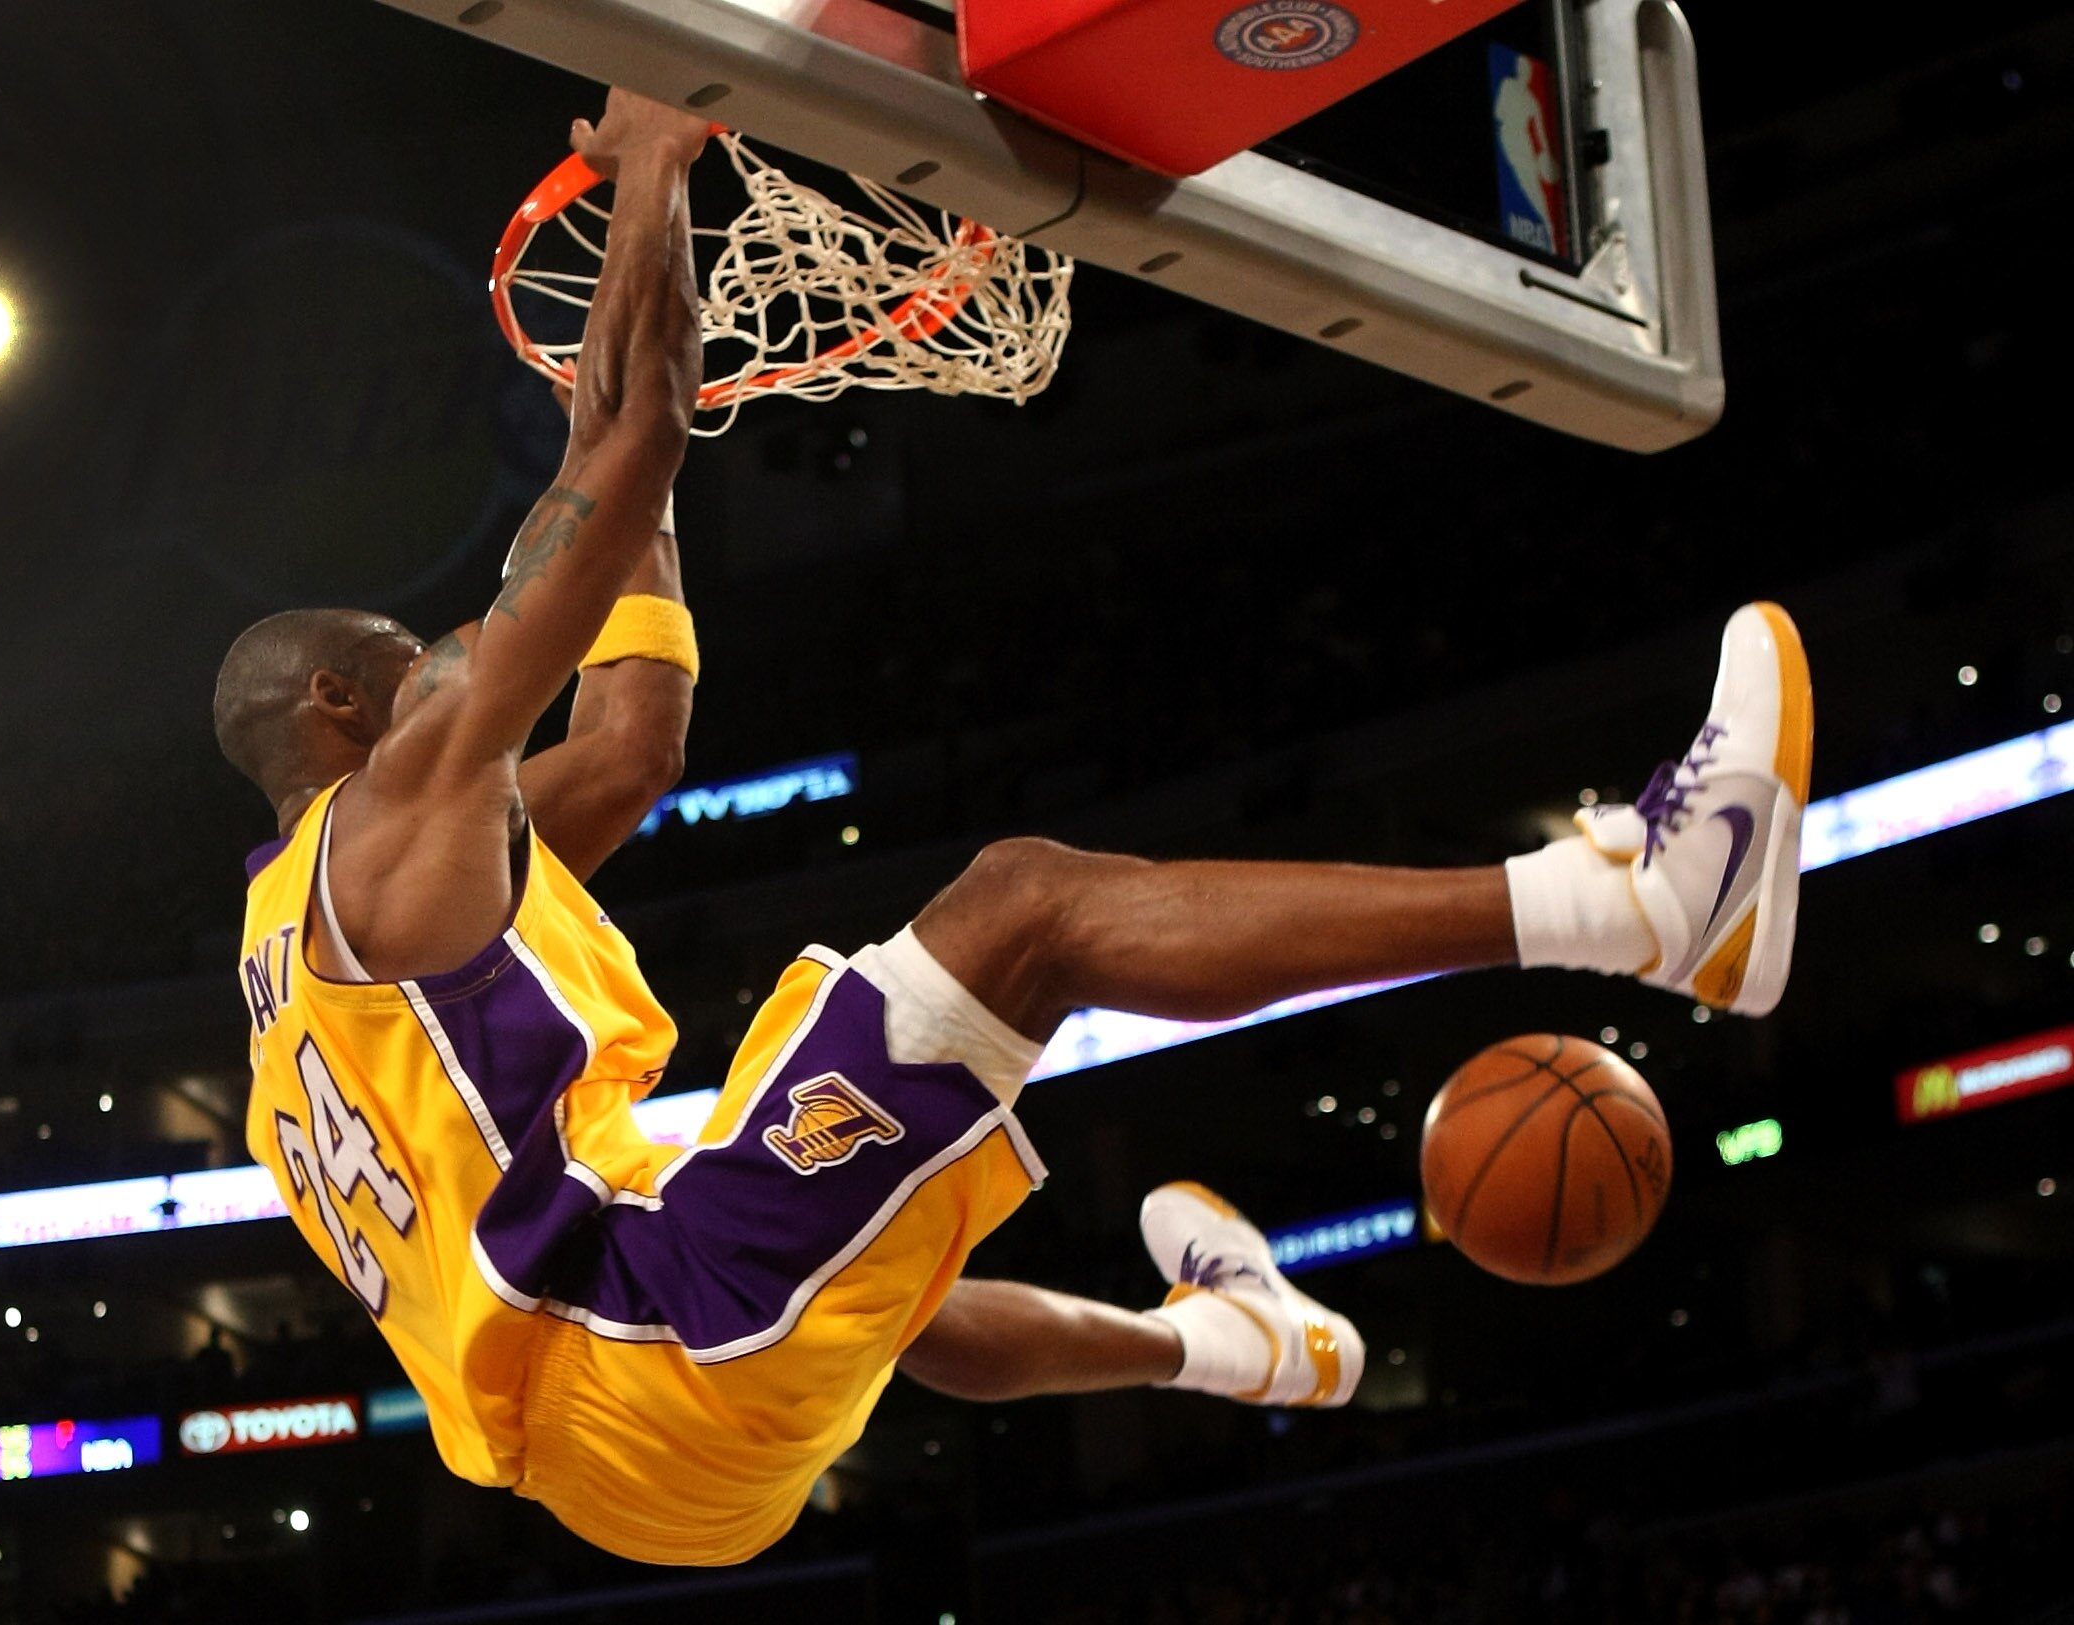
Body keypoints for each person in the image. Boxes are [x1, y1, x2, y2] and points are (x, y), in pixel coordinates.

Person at [212, 90, 1813, 1567]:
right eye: (414, 665)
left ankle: (1227, 1346)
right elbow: (618, 457)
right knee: (1025, 911)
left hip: (622, 1464)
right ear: (348, 710)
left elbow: (629, 746)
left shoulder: (296, 954)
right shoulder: (405, 788)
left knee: (857, 1252)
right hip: (660, 1332)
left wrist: (623, 474)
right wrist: (649, 177)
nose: (448, 676)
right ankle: (1640, 902)